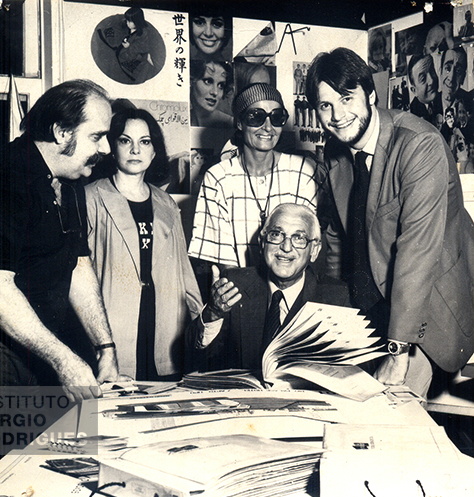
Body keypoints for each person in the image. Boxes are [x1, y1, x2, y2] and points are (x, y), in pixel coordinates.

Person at [0, 79, 119, 491]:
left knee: (59, 471)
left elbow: (78, 267)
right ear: (61, 133)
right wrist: (65, 361)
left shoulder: (71, 180)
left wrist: (105, 348)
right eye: (97, 136)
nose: (107, 149)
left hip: (37, 339)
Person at [305, 47, 474, 397]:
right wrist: (331, 332)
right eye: (325, 105)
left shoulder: (419, 144)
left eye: (347, 98)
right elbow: (338, 244)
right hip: (372, 309)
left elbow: (417, 253)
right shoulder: (336, 153)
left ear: (370, 93)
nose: (338, 115)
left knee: (394, 422)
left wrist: (398, 352)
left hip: (428, 311)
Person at [85, 105, 203, 380]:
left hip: (163, 327)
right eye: (126, 141)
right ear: (113, 147)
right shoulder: (91, 198)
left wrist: (201, 325)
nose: (135, 150)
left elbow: (184, 274)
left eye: (144, 142)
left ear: (154, 150)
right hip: (114, 327)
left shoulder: (168, 204)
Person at [187, 204, 349, 372]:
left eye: (298, 238)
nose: (286, 247)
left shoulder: (336, 297)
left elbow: (353, 369)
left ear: (314, 250)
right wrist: (213, 313)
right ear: (262, 243)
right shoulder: (235, 285)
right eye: (276, 234)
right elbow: (195, 357)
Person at [189, 82, 319, 269]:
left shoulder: (303, 172)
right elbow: (226, 265)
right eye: (256, 117)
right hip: (241, 288)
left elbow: (312, 249)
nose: (268, 127)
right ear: (240, 123)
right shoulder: (218, 179)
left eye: (276, 117)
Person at [98, 6, 154, 82]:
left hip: (135, 52)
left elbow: (142, 46)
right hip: (126, 44)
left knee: (125, 59)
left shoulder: (143, 33)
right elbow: (119, 28)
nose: (128, 23)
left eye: (130, 21)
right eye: (127, 21)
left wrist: (129, 46)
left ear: (137, 21)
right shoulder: (127, 25)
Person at [190, 60, 234, 128]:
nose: (215, 92)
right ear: (191, 81)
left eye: (220, 85)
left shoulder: (230, 123)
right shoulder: (182, 118)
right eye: (208, 81)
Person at [438, 46, 471, 116]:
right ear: (440, 72)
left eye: (458, 71)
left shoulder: (470, 104)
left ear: (463, 78)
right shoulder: (430, 104)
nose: (451, 77)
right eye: (447, 69)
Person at [408, 54, 440, 124]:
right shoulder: (412, 114)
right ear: (414, 90)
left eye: (432, 72)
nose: (431, 81)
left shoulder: (444, 99)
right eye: (423, 78)